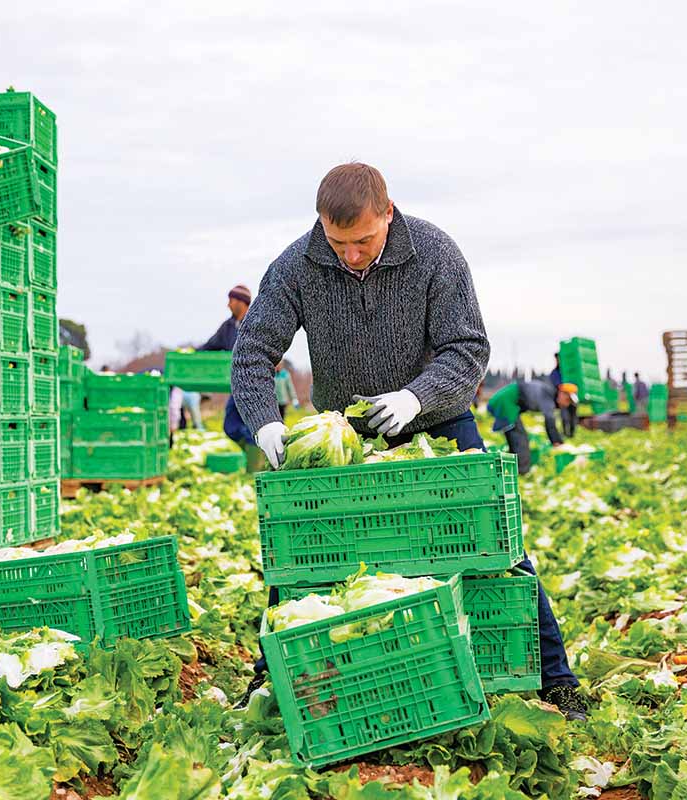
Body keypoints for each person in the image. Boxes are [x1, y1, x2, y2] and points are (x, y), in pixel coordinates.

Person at [231, 162, 584, 719]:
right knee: (307, 556)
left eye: (364, 240)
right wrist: (266, 420)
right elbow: (252, 351)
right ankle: (268, 676)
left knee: (495, 546)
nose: (351, 254)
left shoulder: (434, 253)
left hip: (436, 421)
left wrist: (417, 397)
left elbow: (467, 348)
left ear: (388, 213)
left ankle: (555, 678)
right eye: (338, 241)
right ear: (321, 226)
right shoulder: (297, 264)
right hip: (343, 439)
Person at [202, 284, 255, 446]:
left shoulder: (256, 321)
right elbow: (210, 345)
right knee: (231, 426)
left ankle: (258, 460)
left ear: (242, 301)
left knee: (251, 423)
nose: (228, 304)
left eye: (231, 300)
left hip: (254, 382)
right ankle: (256, 452)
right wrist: (192, 352)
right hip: (237, 384)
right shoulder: (228, 327)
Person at [488, 380, 577, 475]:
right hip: (506, 400)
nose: (567, 404)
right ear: (561, 394)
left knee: (515, 439)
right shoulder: (547, 395)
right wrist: (556, 441)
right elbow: (549, 421)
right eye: (567, 400)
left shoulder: (550, 395)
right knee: (520, 440)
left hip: (508, 401)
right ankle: (522, 473)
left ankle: (512, 472)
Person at [550, 352, 577, 437]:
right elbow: (556, 384)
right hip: (563, 398)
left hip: (573, 396)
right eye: (557, 359)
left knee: (573, 416)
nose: (558, 361)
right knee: (564, 416)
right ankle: (565, 433)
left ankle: (572, 434)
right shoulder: (555, 372)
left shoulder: (571, 371)